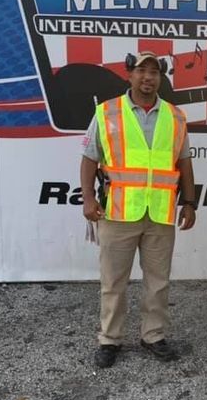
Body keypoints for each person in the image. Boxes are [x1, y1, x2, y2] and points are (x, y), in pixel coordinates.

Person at [80, 51, 197, 369]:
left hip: (159, 214)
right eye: (141, 71)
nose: (148, 77)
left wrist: (189, 202)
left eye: (155, 72)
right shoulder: (107, 112)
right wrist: (88, 199)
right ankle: (109, 340)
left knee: (158, 281)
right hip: (118, 212)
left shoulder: (175, 116)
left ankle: (153, 336)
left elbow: (184, 162)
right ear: (128, 75)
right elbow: (90, 158)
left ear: (161, 78)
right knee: (113, 281)